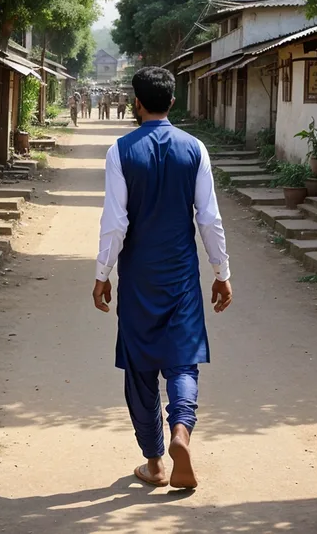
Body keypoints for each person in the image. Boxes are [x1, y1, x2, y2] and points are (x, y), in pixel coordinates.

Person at [93, 66, 232, 490]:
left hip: (138, 276)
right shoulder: (195, 149)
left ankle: (154, 463)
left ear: (136, 103)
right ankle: (181, 433)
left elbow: (115, 222)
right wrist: (221, 272)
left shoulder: (120, 151)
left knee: (139, 367)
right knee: (182, 357)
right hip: (182, 276)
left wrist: (103, 274)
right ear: (172, 102)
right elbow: (209, 219)